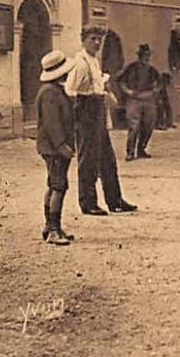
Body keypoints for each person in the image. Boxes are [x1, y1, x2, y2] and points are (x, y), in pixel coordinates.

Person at [65, 25, 137, 216]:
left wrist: (105, 94)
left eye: (99, 39)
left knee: (108, 159)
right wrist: (88, 102)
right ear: (84, 40)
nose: (97, 43)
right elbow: (70, 91)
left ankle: (115, 200)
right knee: (88, 159)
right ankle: (87, 202)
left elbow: (97, 85)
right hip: (86, 112)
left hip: (97, 112)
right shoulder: (80, 63)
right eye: (93, 39)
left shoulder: (94, 61)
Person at [36, 50, 77, 245]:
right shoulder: (49, 93)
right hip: (54, 148)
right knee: (59, 186)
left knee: (54, 184)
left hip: (55, 147)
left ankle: (51, 226)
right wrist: (62, 145)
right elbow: (52, 124)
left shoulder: (55, 90)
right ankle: (53, 230)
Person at [118, 44, 161, 161]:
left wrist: (154, 92)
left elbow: (159, 84)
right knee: (134, 126)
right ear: (139, 56)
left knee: (148, 125)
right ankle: (130, 152)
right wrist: (128, 91)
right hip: (134, 99)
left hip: (148, 99)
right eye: (144, 55)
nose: (146, 58)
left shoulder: (152, 71)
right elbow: (121, 82)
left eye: (148, 55)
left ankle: (141, 149)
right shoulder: (130, 68)